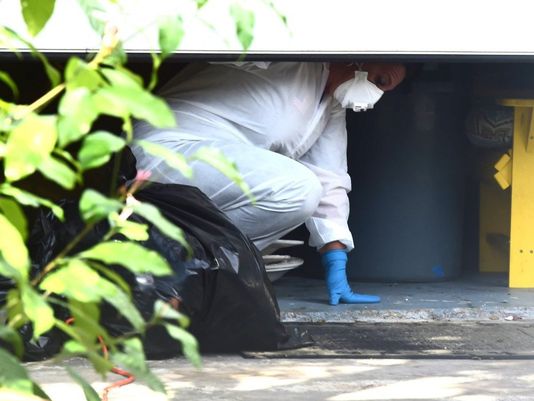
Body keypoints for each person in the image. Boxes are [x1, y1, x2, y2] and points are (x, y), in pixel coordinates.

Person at [131, 61, 406, 305]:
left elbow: (330, 179)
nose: (377, 94)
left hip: (209, 170)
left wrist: (336, 264)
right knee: (297, 189)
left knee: (306, 190)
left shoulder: (329, 107)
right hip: (166, 150)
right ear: (358, 59)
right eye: (380, 80)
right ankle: (180, 265)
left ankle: (181, 268)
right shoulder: (288, 62)